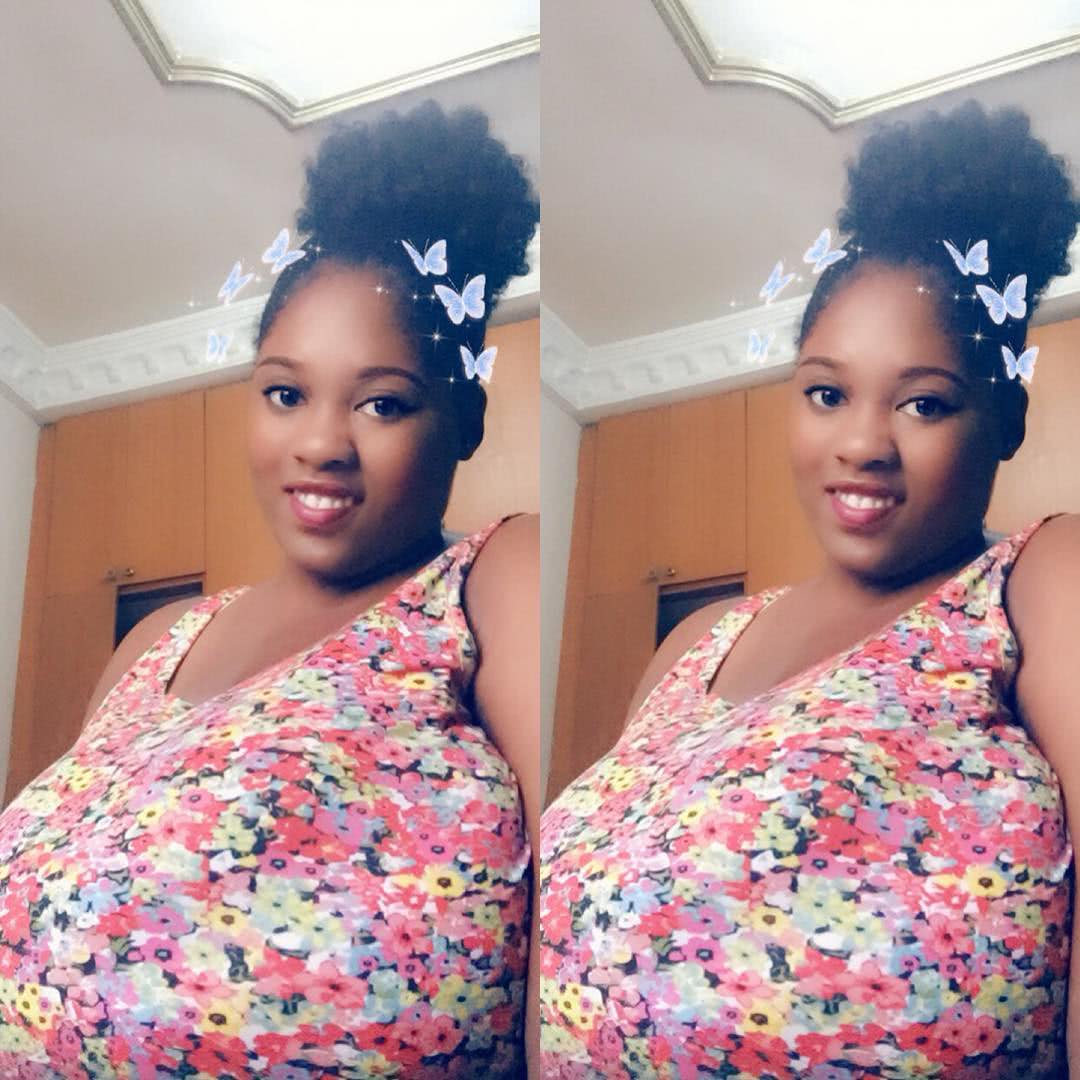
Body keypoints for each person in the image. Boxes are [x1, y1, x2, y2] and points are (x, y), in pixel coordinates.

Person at [539, 100, 1080, 1077]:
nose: (862, 444)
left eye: (925, 402)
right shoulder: (697, 641)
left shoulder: (1041, 582)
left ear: (1006, 418)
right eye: (828, 392)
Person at [0, 101, 539, 1077]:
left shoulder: (493, 581)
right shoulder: (157, 642)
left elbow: (587, 938)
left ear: (464, 418)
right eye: (286, 393)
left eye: (383, 402)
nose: (321, 443)